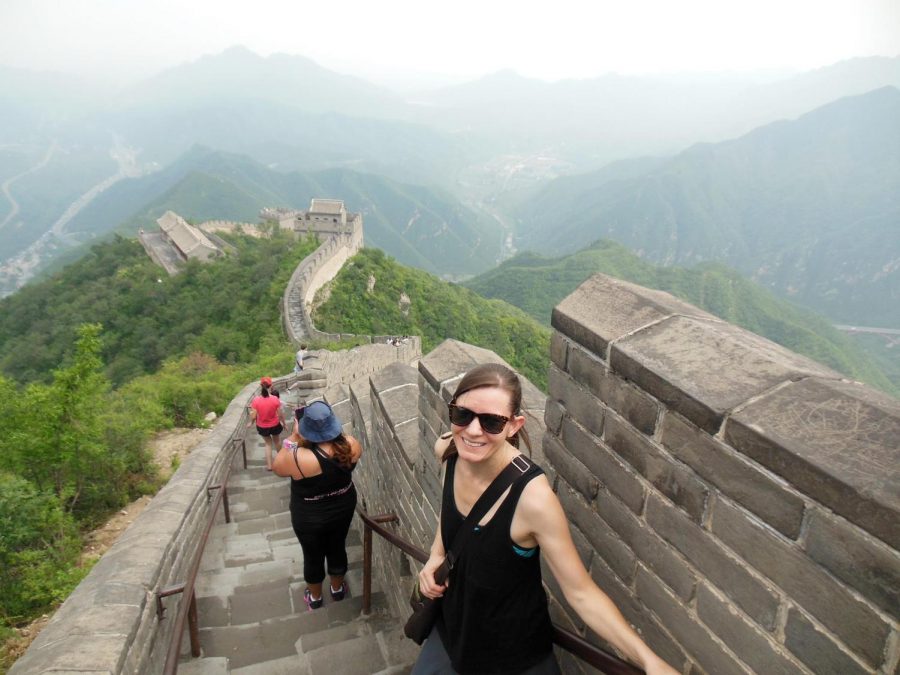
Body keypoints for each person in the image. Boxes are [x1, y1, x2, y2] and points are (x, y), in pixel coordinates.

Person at [412, 363, 678, 675]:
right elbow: (451, 518)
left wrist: (648, 661)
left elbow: (581, 593)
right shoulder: (449, 451)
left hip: (510, 657)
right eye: (463, 414)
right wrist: (436, 556)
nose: (472, 430)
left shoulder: (533, 501)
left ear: (514, 425)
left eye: (492, 422)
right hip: (452, 633)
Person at [273, 401, 363, 611]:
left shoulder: (298, 458)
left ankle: (314, 598)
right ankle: (337, 589)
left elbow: (277, 466)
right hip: (342, 506)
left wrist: (294, 437)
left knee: (312, 555)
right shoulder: (351, 444)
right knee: (337, 545)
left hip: (308, 515)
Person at [248, 376, 285, 471]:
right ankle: (282, 462)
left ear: (261, 386)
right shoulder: (275, 399)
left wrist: (251, 423)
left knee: (268, 444)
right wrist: (284, 424)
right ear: (271, 386)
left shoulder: (256, 400)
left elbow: (253, 416)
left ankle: (269, 466)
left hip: (262, 426)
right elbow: (280, 414)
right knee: (277, 442)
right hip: (275, 424)